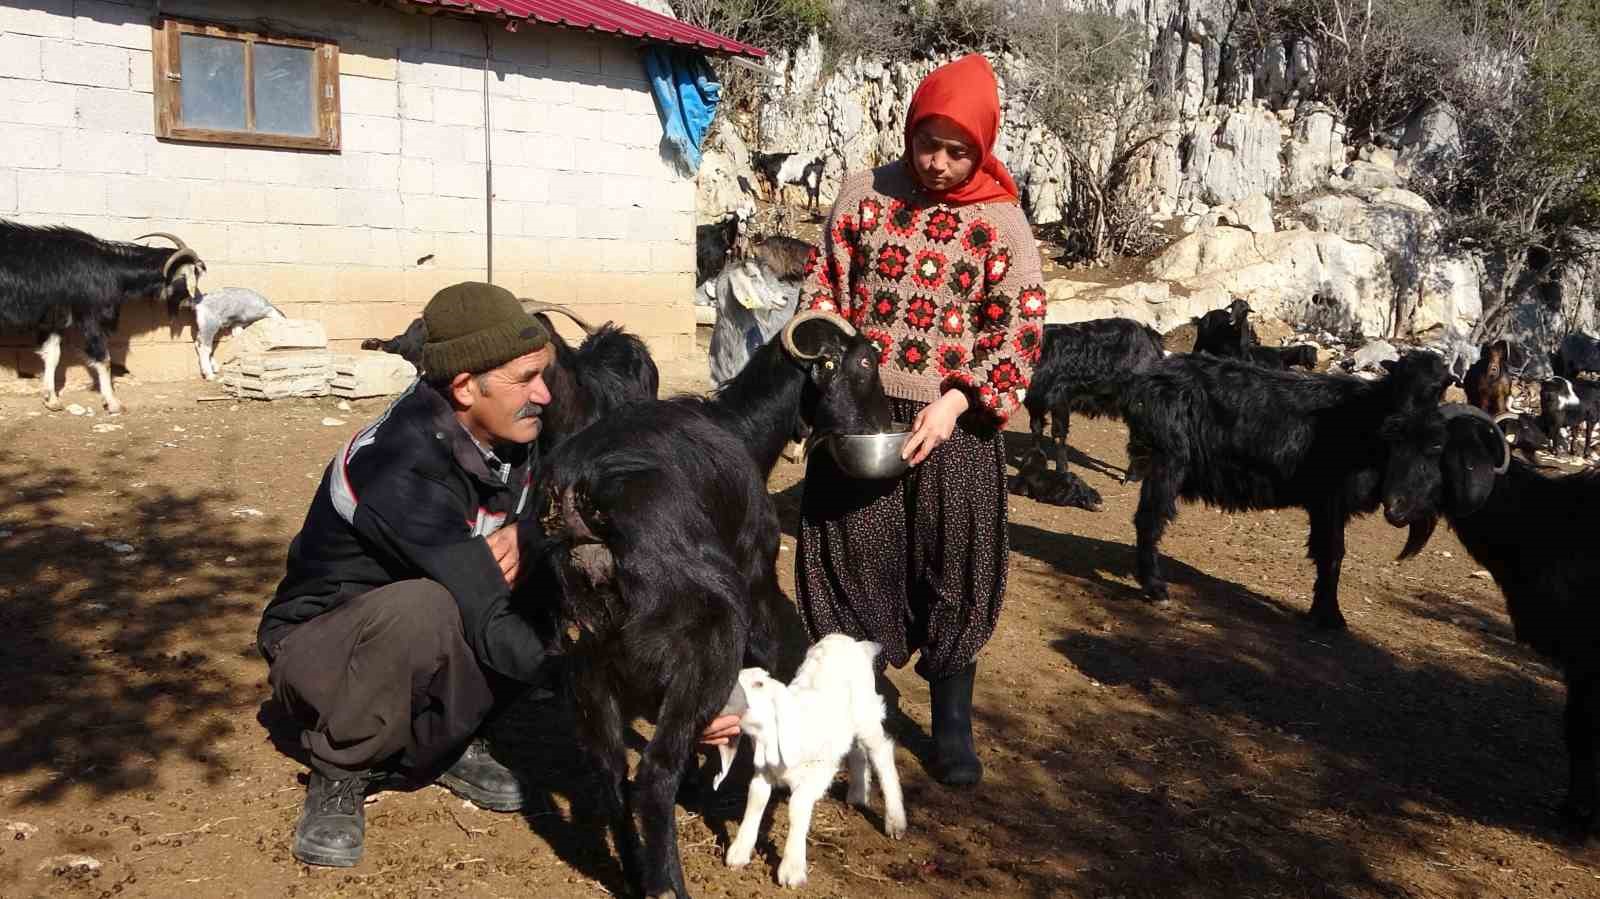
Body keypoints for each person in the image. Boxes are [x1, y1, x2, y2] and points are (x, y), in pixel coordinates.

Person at [794, 54, 1044, 788]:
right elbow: (824, 292)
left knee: (954, 563)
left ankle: (952, 722)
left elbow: (1019, 333)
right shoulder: (862, 196)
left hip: (955, 422)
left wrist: (959, 399)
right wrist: (832, 362)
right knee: (849, 555)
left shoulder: (1001, 225)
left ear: (984, 147)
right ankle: (853, 712)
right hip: (862, 409)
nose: (937, 162)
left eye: (957, 149)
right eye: (927, 141)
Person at [258, 282, 561, 867]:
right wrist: (598, 679)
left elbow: (541, 526)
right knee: (430, 609)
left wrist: (532, 536)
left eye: (542, 375)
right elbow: (483, 605)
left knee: (536, 586)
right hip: (324, 647)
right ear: (465, 386)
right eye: (526, 379)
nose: (543, 395)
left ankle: (441, 745)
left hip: (428, 631)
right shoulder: (398, 466)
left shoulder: (510, 435)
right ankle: (342, 766)